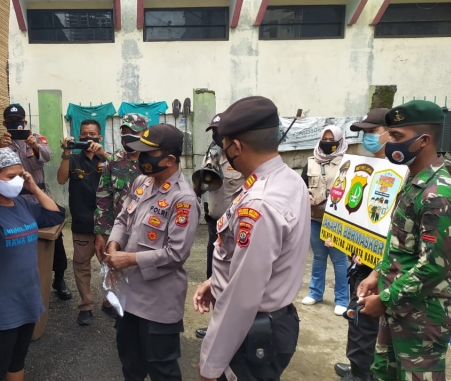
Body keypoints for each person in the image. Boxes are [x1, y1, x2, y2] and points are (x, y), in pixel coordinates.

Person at [193, 96, 310, 381]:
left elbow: (242, 297)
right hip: (274, 319)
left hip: (252, 329)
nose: (222, 153)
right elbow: (262, 260)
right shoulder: (288, 179)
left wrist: (211, 364)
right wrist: (215, 282)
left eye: (224, 145)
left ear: (235, 146)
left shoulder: (259, 202)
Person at [357, 101, 451, 381]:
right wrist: (376, 274)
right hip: (399, 304)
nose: (389, 142)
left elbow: (433, 266)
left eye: (396, 137)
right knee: (384, 373)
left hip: (424, 315)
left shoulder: (438, 195)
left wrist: (385, 299)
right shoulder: (413, 181)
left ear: (424, 141)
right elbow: (400, 243)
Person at [103, 123, 199, 381]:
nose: (141, 158)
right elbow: (123, 218)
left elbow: (176, 253)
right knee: (130, 365)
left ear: (169, 159)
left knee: (162, 370)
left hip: (158, 303)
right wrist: (114, 245)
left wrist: (130, 259)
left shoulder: (184, 199)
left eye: (148, 153)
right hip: (129, 296)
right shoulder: (141, 182)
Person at [0, 148, 65, 381]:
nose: (18, 181)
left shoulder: (22, 204)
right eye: (11, 176)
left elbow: (56, 216)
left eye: (20, 175)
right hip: (0, 304)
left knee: (17, 362)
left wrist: (33, 188)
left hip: (27, 297)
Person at [332, 108, 389, 381]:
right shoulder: (368, 167)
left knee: (368, 322)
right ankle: (357, 365)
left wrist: (379, 269)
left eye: (372, 132)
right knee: (356, 317)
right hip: (361, 262)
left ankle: (363, 373)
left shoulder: (400, 174)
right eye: (364, 133)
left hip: (383, 266)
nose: (367, 138)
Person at [0, 103, 72, 301]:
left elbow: (48, 156)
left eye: (19, 120)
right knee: (23, 238)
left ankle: (60, 278)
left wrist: (34, 145)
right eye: (11, 122)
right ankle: (28, 280)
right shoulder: (1, 144)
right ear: (5, 124)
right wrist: (0, 148)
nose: (16, 124)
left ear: (25, 121)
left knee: (55, 237)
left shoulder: (36, 138)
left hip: (38, 193)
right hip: (15, 198)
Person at [194, 113, 244, 340]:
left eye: (220, 131)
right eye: (213, 131)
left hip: (236, 228)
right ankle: (217, 325)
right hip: (215, 225)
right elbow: (202, 186)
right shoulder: (212, 155)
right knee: (213, 275)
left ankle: (233, 327)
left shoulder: (241, 159)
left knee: (235, 278)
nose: (216, 136)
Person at [93, 113, 147, 319]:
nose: (127, 137)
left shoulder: (152, 161)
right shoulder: (114, 161)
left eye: (133, 133)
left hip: (146, 232)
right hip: (119, 230)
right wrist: (101, 233)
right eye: (124, 133)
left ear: (143, 133)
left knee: (142, 273)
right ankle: (118, 307)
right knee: (115, 270)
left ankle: (139, 311)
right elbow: (103, 197)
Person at [57, 119, 110, 325]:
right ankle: (86, 306)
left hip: (106, 223)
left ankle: (109, 302)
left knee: (110, 265)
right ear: (78, 137)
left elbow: (124, 175)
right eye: (84, 134)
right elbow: (61, 179)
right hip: (82, 222)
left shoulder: (106, 159)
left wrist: (103, 154)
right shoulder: (73, 159)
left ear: (100, 137)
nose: (88, 138)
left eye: (92, 134)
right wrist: (66, 152)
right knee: (81, 266)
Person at [301, 125, 350, 315]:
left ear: (339, 141)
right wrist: (307, 196)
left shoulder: (347, 163)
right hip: (315, 218)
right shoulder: (311, 161)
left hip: (337, 221)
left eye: (332, 140)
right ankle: (315, 293)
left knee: (339, 260)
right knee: (319, 257)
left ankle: (342, 299)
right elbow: (301, 185)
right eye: (325, 139)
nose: (327, 143)